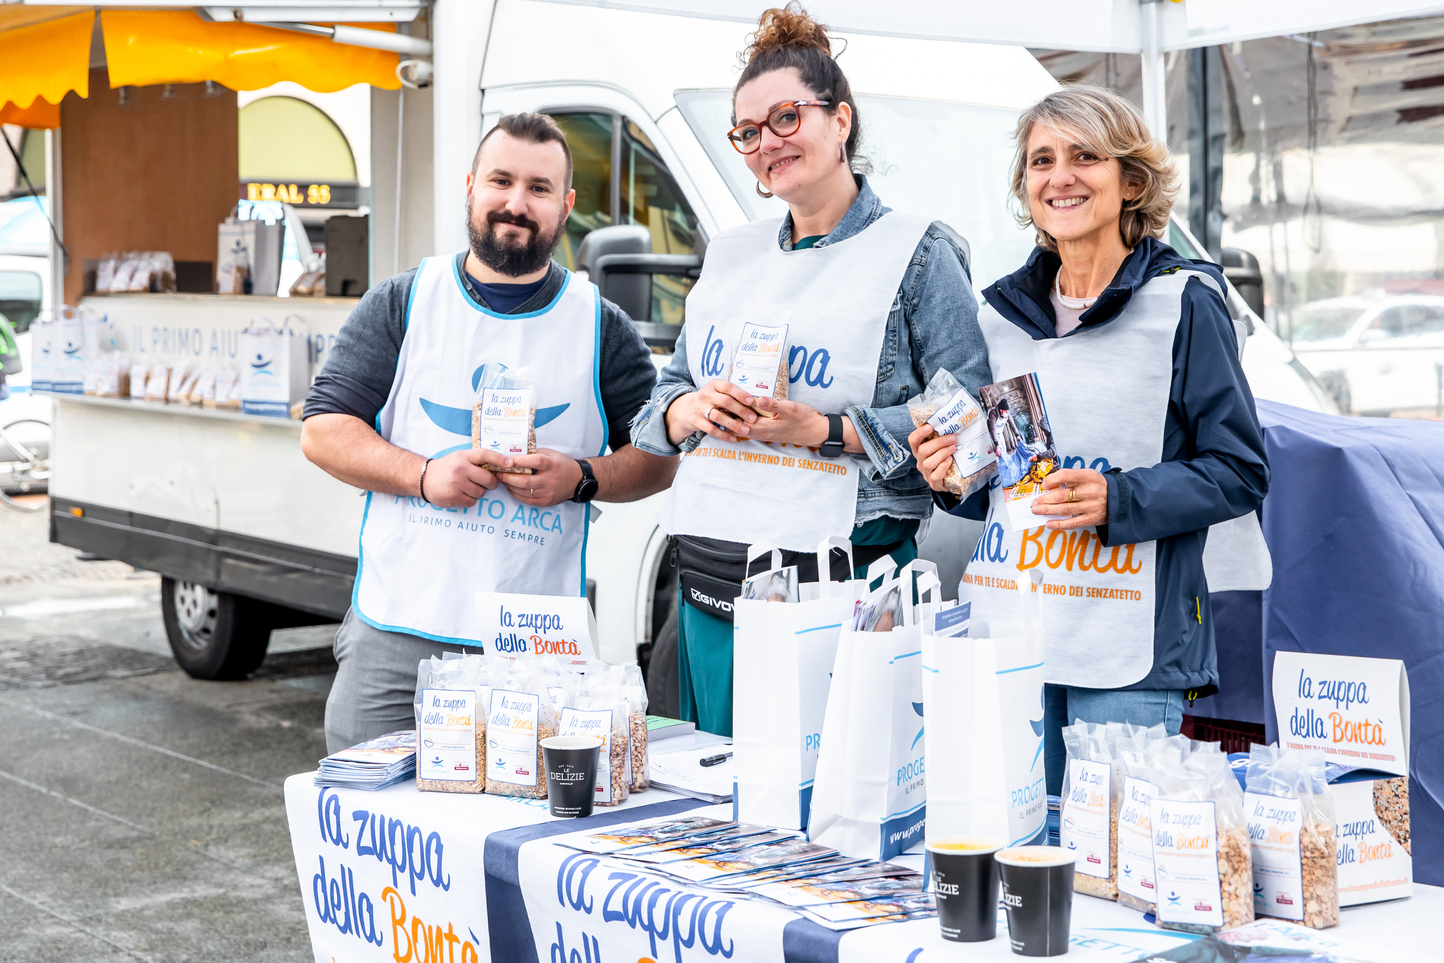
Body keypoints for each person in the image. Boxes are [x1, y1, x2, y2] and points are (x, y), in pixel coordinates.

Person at [630, 5, 990, 737]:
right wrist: (690, 411)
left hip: (841, 576)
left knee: (820, 809)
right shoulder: (731, 256)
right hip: (710, 575)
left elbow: (973, 421)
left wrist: (825, 429)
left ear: (841, 121)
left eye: (787, 118)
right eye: (749, 132)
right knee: (717, 798)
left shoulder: (918, 253)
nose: (768, 143)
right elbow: (659, 403)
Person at [908, 85, 1270, 793]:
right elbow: (998, 486)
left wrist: (1120, 497)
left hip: (1129, 649)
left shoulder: (1186, 301)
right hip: (1007, 631)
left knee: (1113, 872)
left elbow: (1239, 469)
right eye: (1041, 160)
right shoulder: (999, 318)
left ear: (1131, 180)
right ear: (1025, 186)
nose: (1060, 176)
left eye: (1084, 156)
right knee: (1012, 855)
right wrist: (951, 476)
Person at [302, 112, 676, 753]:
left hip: (532, 644)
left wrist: (581, 478)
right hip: (399, 631)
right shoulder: (405, 301)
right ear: (471, 184)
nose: (516, 202)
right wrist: (423, 476)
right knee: (365, 817)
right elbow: (323, 430)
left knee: (507, 839)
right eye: (501, 181)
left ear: (567, 205)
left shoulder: (601, 326)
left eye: (539, 188)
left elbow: (656, 458)